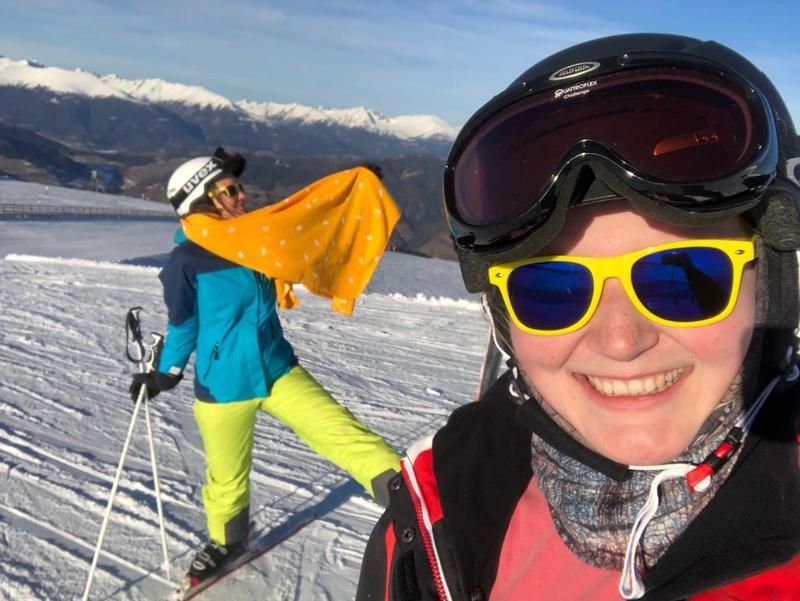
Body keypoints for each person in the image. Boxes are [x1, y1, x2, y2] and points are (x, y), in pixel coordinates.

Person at [357, 34, 800, 600]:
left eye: (683, 279)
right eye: (552, 290)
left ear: (774, 288)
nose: (620, 341)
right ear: (504, 321)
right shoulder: (440, 512)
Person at [129, 147, 400, 586]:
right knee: (226, 479)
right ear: (202, 203)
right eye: (229, 190)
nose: (241, 195)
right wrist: (166, 373)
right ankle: (228, 542)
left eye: (237, 187)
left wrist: (350, 191)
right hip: (223, 386)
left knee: (344, 434)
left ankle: (413, 501)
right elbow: (183, 325)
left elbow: (305, 219)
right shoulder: (186, 261)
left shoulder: (256, 238)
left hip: (276, 370)